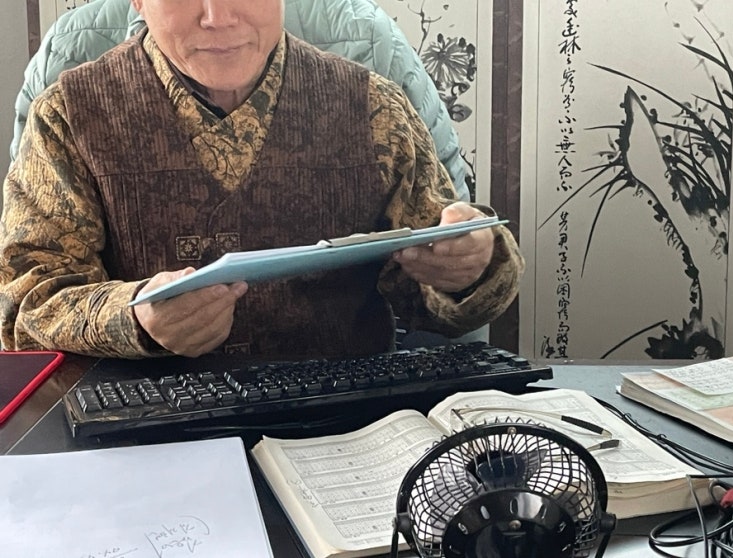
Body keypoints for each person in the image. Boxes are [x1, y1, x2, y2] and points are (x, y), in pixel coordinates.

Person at [0, 0, 524, 360]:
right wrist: (133, 319)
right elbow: (25, 305)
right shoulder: (70, 117)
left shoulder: (373, 108)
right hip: (147, 432)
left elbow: (436, 298)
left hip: (344, 425)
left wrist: (471, 267)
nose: (218, 16)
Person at [9, 0, 470, 201]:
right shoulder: (68, 67)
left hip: (348, 366)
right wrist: (129, 320)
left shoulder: (367, 45)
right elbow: (31, 282)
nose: (217, 17)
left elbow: (447, 234)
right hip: (128, 371)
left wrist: (463, 278)